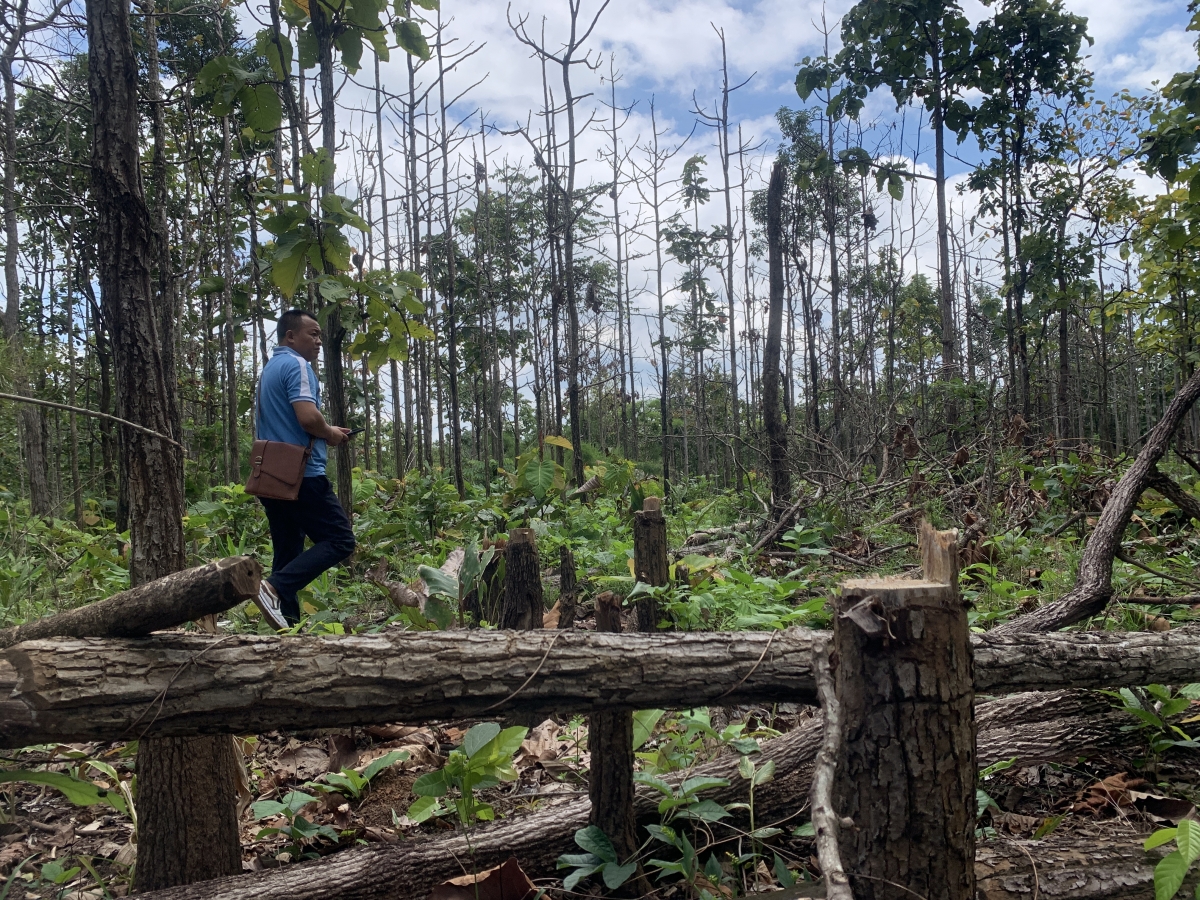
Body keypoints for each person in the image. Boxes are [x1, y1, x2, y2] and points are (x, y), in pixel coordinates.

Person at [251, 309, 356, 629]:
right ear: (290, 336)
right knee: (340, 540)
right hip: (302, 476)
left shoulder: (270, 369)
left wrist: (327, 430)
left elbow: (288, 422)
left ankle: (289, 632)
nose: (319, 341)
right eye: (313, 333)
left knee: (287, 554)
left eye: (320, 335)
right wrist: (330, 434)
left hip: (271, 476)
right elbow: (308, 418)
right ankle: (273, 587)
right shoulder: (298, 365)